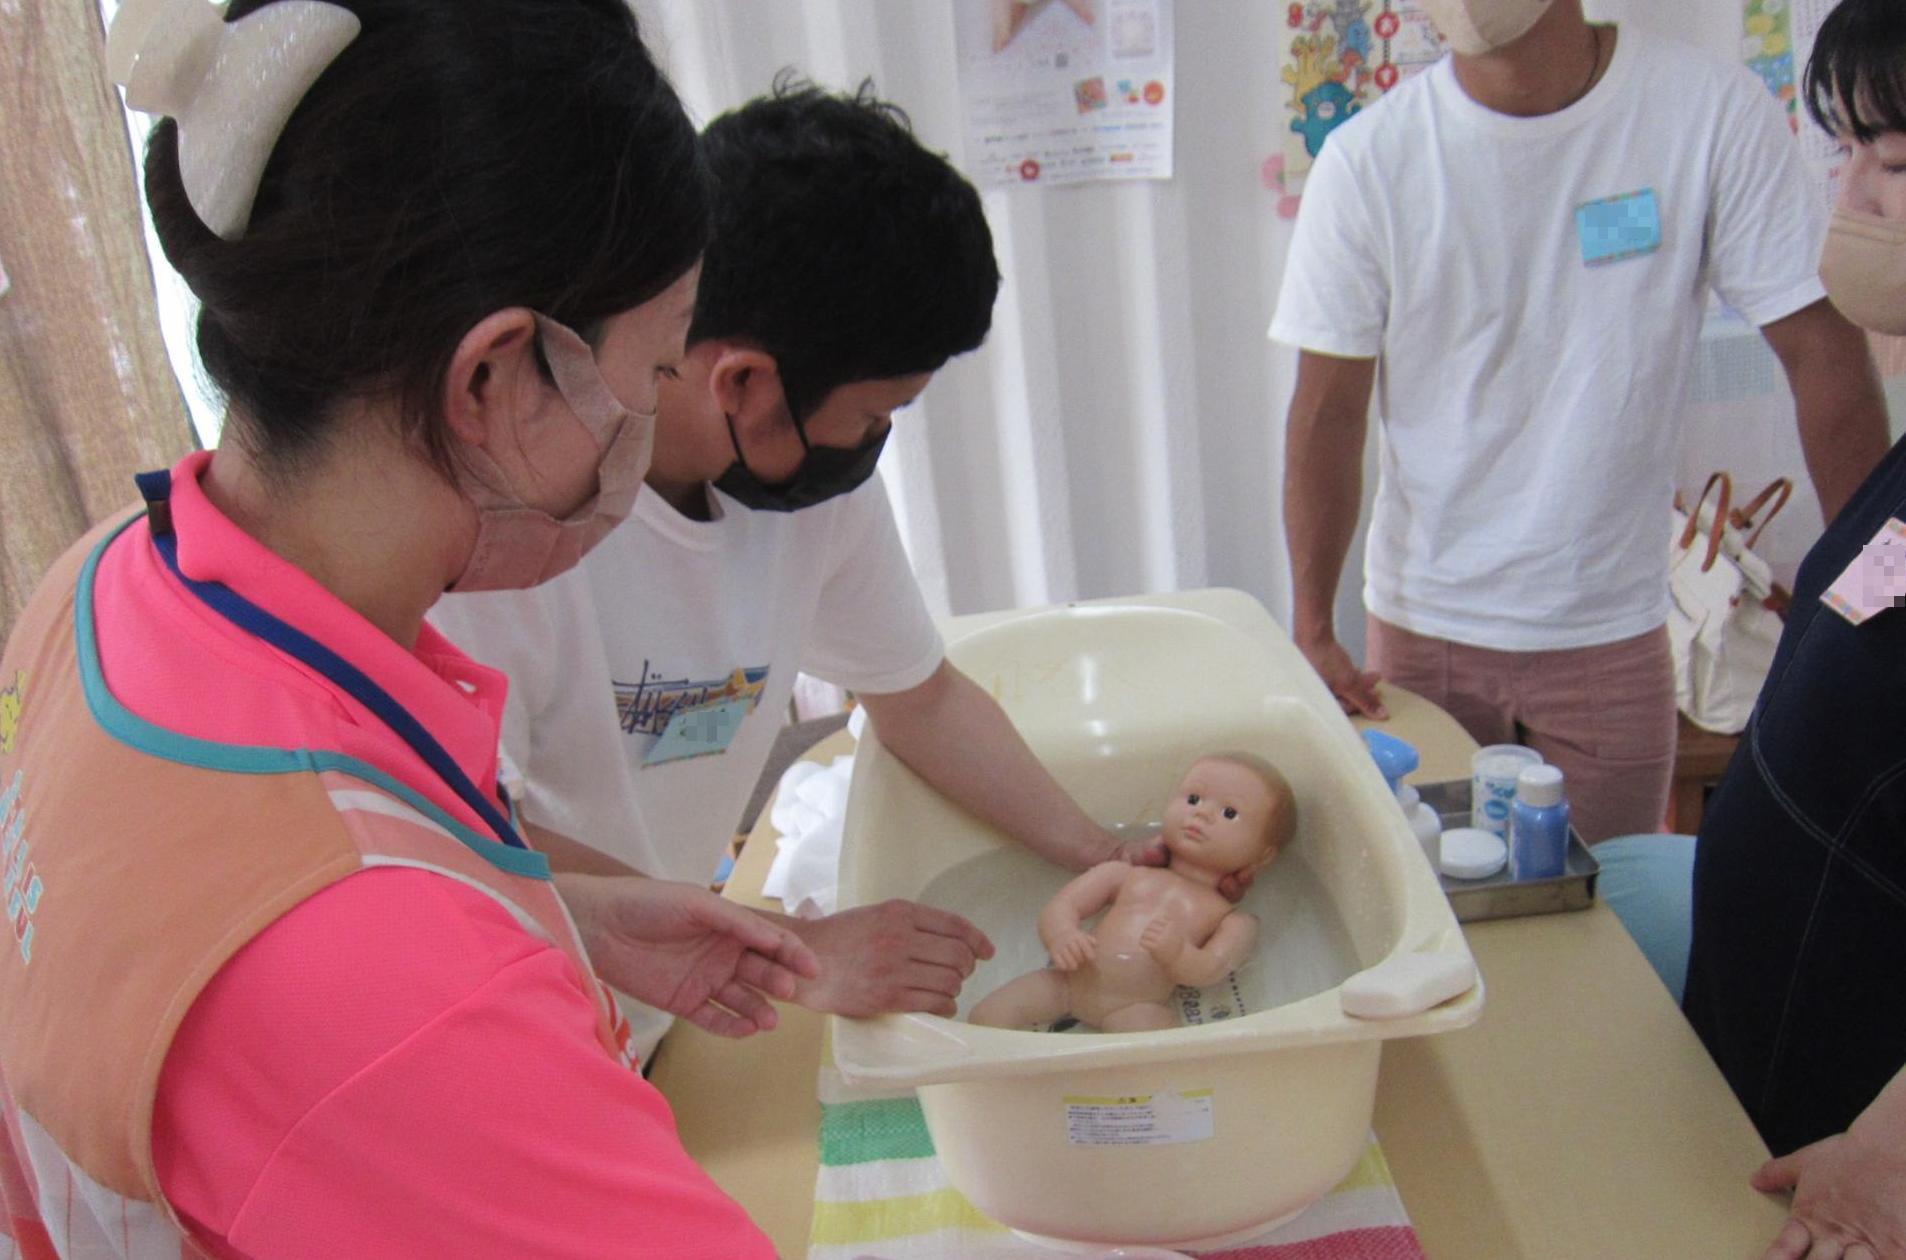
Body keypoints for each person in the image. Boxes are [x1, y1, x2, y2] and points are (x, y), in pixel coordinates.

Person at [0, 0, 814, 1254]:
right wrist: (472, 983)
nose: (652, 426)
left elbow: (189, 947)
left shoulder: (106, 582)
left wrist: (542, 915)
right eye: (651, 376)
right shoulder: (387, 991)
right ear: (491, 378)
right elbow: (339, 990)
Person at [430, 80, 1184, 1063]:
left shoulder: (810, 501)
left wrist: (1097, 850)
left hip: (665, 1001)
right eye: (872, 418)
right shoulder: (508, 539)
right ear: (744, 380)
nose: (869, 447)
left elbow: (919, 697)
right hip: (520, 1017)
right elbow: (468, 832)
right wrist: (788, 951)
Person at [1270, 0, 1891, 844]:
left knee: (1616, 920)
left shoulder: (1704, 111)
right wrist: (1311, 624)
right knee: (1447, 916)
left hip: (1612, 624)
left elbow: (1823, 355)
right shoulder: (1370, 160)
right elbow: (1327, 412)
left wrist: (1868, 605)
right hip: (1426, 628)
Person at [1683, 3, 1906, 1254]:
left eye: (1895, 160)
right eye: (1847, 151)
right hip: (1765, 1089)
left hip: (1852, 1173)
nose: (1851, 194)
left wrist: (1890, 1156)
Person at [969, 754, 1293, 1033]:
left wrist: (1179, 954)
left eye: (1229, 813)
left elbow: (1209, 970)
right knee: (987, 1017)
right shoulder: (1123, 874)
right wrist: (1063, 935)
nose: (1201, 813)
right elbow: (1063, 906)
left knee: (1161, 1055)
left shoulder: (1233, 921)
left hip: (1136, 1007)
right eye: (1193, 799)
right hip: (1066, 982)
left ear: (1263, 856)